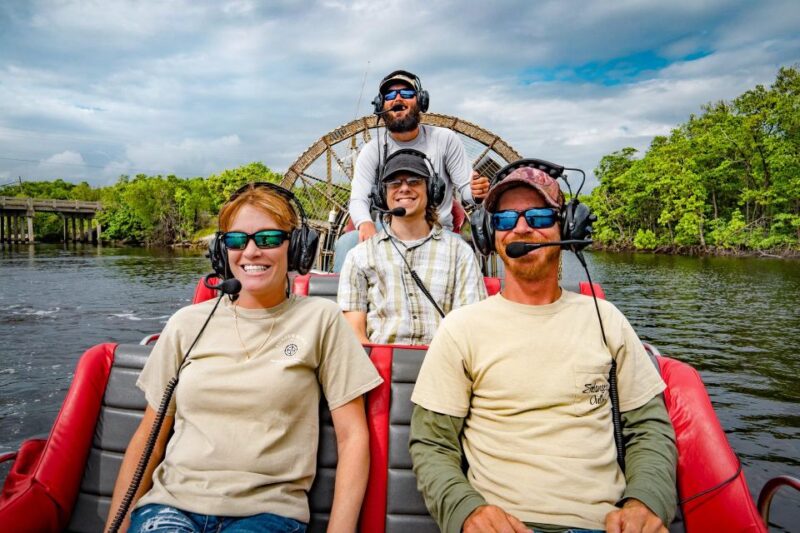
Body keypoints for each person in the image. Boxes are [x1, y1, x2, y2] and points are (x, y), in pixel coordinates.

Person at [409, 165, 677, 533]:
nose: (521, 228)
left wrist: (645, 501)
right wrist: (467, 511)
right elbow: (431, 444)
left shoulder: (605, 319)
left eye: (538, 216)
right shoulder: (461, 329)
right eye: (504, 219)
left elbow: (648, 427)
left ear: (566, 228)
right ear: (490, 234)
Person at [106, 183, 383, 533]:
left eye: (268, 239)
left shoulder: (323, 319)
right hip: (170, 507)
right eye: (237, 241)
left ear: (296, 248)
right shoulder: (187, 323)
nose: (251, 252)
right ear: (222, 253)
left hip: (268, 513)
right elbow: (150, 436)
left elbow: (352, 437)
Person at [333, 69, 491, 272]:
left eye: (406, 93)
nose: (397, 98)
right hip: (388, 230)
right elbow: (358, 198)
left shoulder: (445, 139)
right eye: (389, 95)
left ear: (421, 101)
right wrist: (365, 223)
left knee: (462, 249)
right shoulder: (372, 150)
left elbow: (467, 190)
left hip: (437, 230)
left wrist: (476, 191)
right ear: (381, 106)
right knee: (347, 243)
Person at [338, 149, 487, 345]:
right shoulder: (359, 256)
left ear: (433, 190)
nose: (404, 188)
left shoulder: (459, 253)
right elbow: (355, 336)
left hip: (444, 364)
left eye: (414, 181)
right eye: (395, 183)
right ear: (382, 196)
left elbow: (470, 328)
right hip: (381, 367)